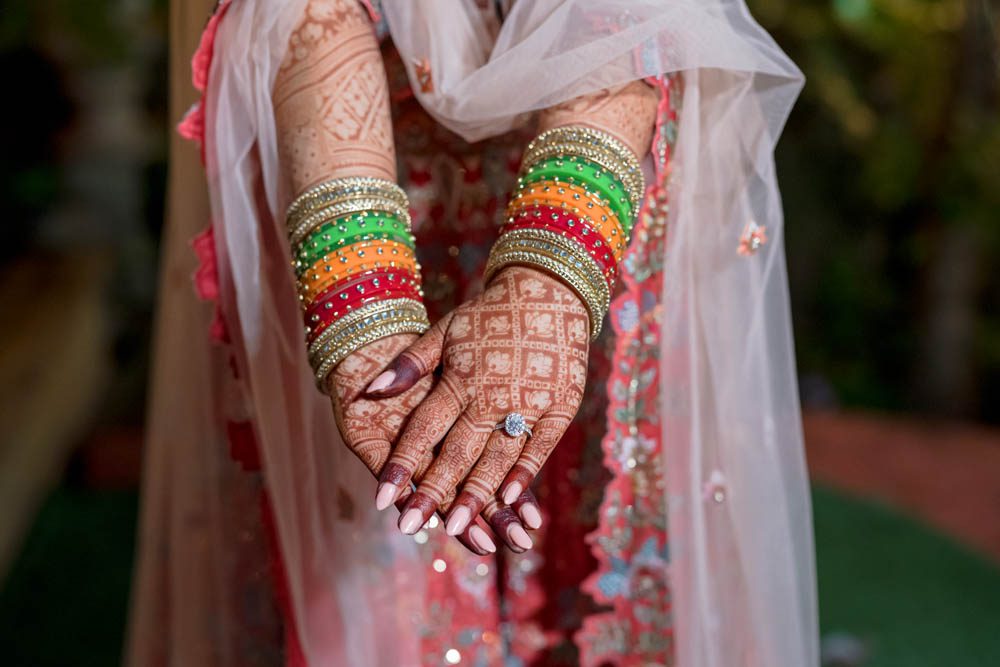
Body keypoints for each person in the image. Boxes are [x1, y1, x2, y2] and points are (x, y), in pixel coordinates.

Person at [127, 1, 818, 665]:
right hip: (374, 172)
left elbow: (636, 13)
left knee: (614, 530)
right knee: (384, 557)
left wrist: (550, 279)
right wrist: (362, 306)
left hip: (610, 190)